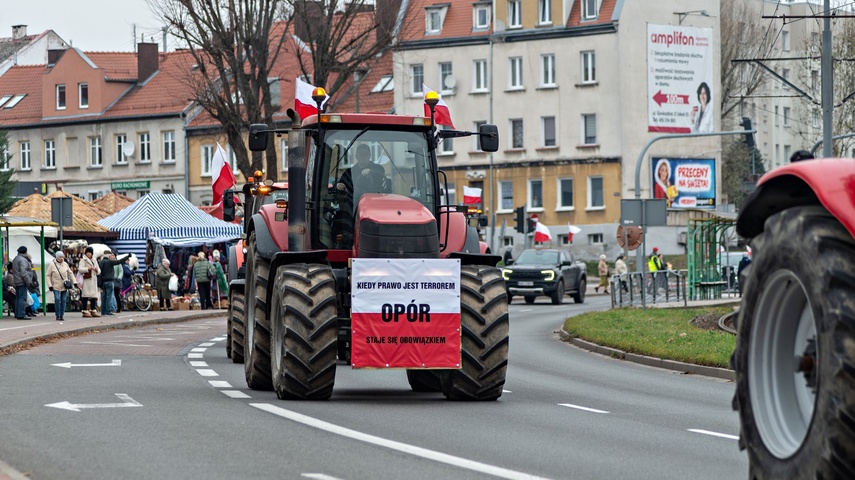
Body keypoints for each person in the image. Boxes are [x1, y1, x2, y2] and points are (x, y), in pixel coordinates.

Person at [98, 250, 130, 316]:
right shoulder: (109, 262)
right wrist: (127, 256)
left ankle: (103, 311)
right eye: (110, 254)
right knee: (109, 297)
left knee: (104, 297)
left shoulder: (101, 262)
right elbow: (119, 261)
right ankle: (108, 311)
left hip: (103, 282)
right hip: (109, 281)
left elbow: (99, 272)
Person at [46, 251, 74, 321]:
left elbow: (70, 274)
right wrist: (50, 285)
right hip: (55, 285)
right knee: (57, 299)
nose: (61, 258)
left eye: (62, 257)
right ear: (57, 257)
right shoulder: (52, 265)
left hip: (64, 285)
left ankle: (61, 315)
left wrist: (74, 282)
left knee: (64, 300)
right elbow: (48, 276)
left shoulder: (65, 264)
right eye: (60, 257)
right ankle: (57, 314)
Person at [12, 246, 36, 320]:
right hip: (22, 281)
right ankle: (22, 314)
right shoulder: (23, 260)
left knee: (18, 298)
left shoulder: (15, 259)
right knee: (22, 298)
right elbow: (24, 272)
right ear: (25, 252)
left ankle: (17, 313)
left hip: (16, 280)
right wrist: (28, 282)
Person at [78, 246, 101, 317]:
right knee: (86, 295)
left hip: (93, 280)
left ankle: (93, 310)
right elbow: (80, 269)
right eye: (87, 252)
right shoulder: (83, 260)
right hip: (87, 280)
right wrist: (88, 268)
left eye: (90, 253)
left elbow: (99, 271)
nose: (88, 254)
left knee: (93, 296)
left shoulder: (94, 260)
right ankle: (84, 310)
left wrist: (97, 270)